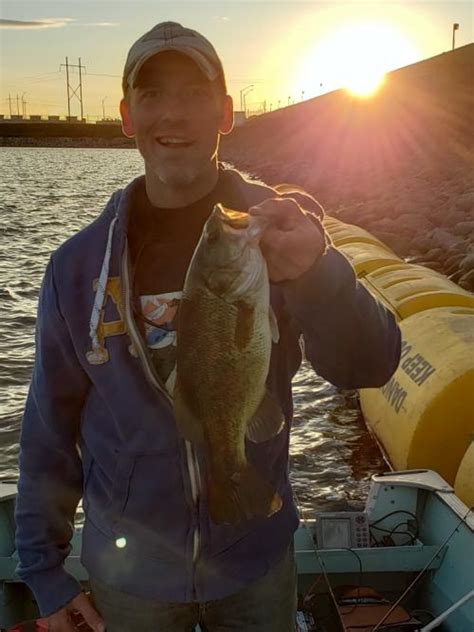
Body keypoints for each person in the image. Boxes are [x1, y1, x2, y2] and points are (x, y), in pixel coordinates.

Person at [15, 21, 401, 632]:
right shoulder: (76, 267)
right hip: (129, 571)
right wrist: (44, 571)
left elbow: (369, 366)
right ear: (126, 116)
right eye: (153, 95)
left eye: (196, 93)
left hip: (256, 558)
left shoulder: (280, 234)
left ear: (225, 113)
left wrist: (318, 274)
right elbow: (49, 427)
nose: (175, 113)